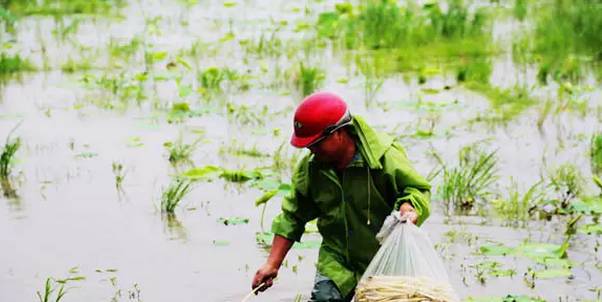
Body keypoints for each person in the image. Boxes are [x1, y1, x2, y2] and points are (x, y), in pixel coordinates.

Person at [251, 92, 431, 302]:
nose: (312, 151)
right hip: (337, 260)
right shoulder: (312, 168)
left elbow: (416, 189)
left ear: (339, 132)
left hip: (383, 258)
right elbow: (293, 216)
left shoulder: (385, 157)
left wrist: (409, 207)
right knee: (324, 298)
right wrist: (272, 264)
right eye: (309, 146)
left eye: (316, 144)